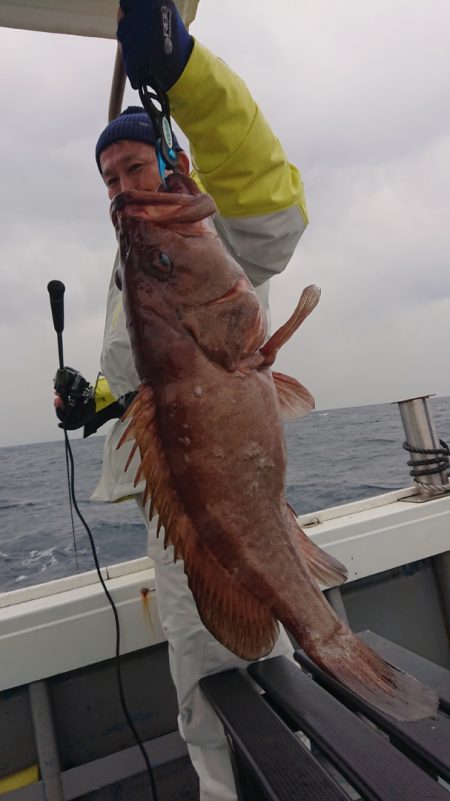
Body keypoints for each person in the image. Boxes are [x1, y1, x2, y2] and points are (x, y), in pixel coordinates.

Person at [55, 1, 308, 799]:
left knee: (227, 664)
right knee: (204, 675)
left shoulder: (205, 236)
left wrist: (187, 76)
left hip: (218, 495)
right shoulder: (139, 257)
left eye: (134, 167)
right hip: (173, 501)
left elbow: (273, 209)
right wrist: (90, 400)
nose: (122, 188)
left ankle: (265, 783)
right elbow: (143, 376)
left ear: (171, 162)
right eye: (110, 179)